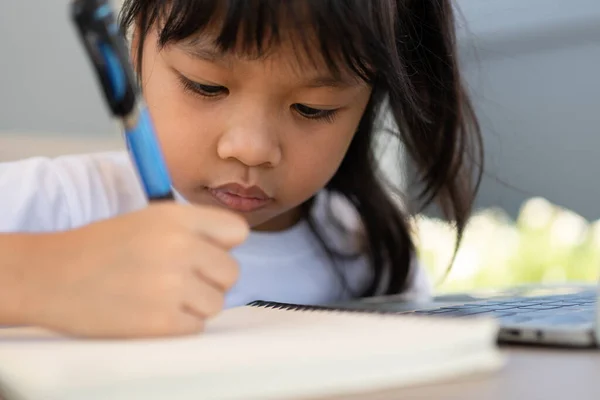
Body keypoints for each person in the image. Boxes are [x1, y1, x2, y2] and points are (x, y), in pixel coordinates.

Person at [0, 0, 482, 338]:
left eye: (313, 109)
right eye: (206, 86)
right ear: (136, 46)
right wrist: (40, 277)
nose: (250, 150)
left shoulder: (367, 252)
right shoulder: (62, 201)